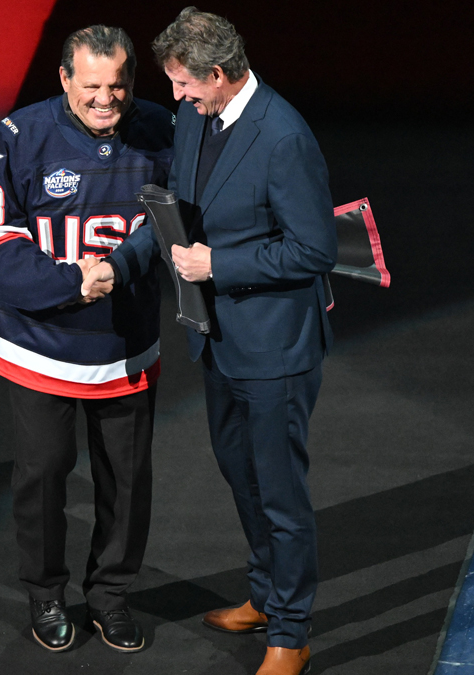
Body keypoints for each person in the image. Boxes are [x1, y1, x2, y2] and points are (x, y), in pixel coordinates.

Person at [84, 8, 336, 674]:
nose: (177, 99)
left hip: (274, 347)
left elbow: (313, 248)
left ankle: (290, 630)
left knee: (279, 489)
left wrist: (219, 264)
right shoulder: (197, 120)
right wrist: (120, 263)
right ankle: (264, 591)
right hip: (218, 339)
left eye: (185, 85)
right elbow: (173, 215)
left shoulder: (283, 136)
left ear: (219, 73)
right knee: (241, 474)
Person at [0, 24, 174, 654]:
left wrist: (120, 268)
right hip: (38, 345)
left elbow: (177, 219)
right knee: (43, 475)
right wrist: (72, 284)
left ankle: (110, 596)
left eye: (117, 86)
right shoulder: (19, 136)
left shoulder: (162, 131)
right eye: (91, 87)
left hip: (125, 347)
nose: (106, 100)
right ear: (63, 79)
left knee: (128, 481)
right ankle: (46, 595)